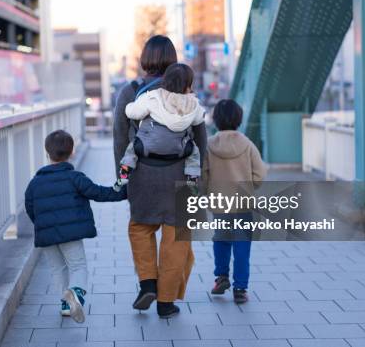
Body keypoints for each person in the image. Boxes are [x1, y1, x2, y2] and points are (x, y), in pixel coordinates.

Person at [113, 35, 207, 318]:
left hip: (143, 174)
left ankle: (147, 284)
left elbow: (120, 137)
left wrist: (122, 177)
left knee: (140, 229)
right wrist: (199, 180)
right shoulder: (187, 92)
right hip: (180, 175)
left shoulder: (130, 92)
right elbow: (202, 139)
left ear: (144, 59)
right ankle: (166, 301)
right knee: (177, 237)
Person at [25, 130, 127, 322]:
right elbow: (98, 193)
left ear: (47, 152)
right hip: (70, 234)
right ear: (71, 151)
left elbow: (30, 208)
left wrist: (42, 225)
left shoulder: (35, 183)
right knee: (77, 265)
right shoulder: (75, 177)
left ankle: (65, 305)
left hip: (46, 235)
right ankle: (76, 295)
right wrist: (122, 190)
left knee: (57, 269)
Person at [202, 99, 267, 304]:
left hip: (219, 204)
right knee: (242, 245)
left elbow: (202, 175)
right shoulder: (247, 144)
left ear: (215, 120)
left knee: (220, 239)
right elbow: (260, 174)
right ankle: (240, 289)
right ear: (239, 119)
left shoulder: (209, 145)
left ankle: (221, 277)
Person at [115, 63, 205, 190]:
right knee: (194, 153)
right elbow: (199, 119)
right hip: (180, 148)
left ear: (165, 82)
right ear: (188, 87)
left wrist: (129, 106)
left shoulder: (153, 96)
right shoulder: (193, 104)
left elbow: (132, 112)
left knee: (132, 149)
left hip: (147, 146)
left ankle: (125, 171)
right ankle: (192, 179)